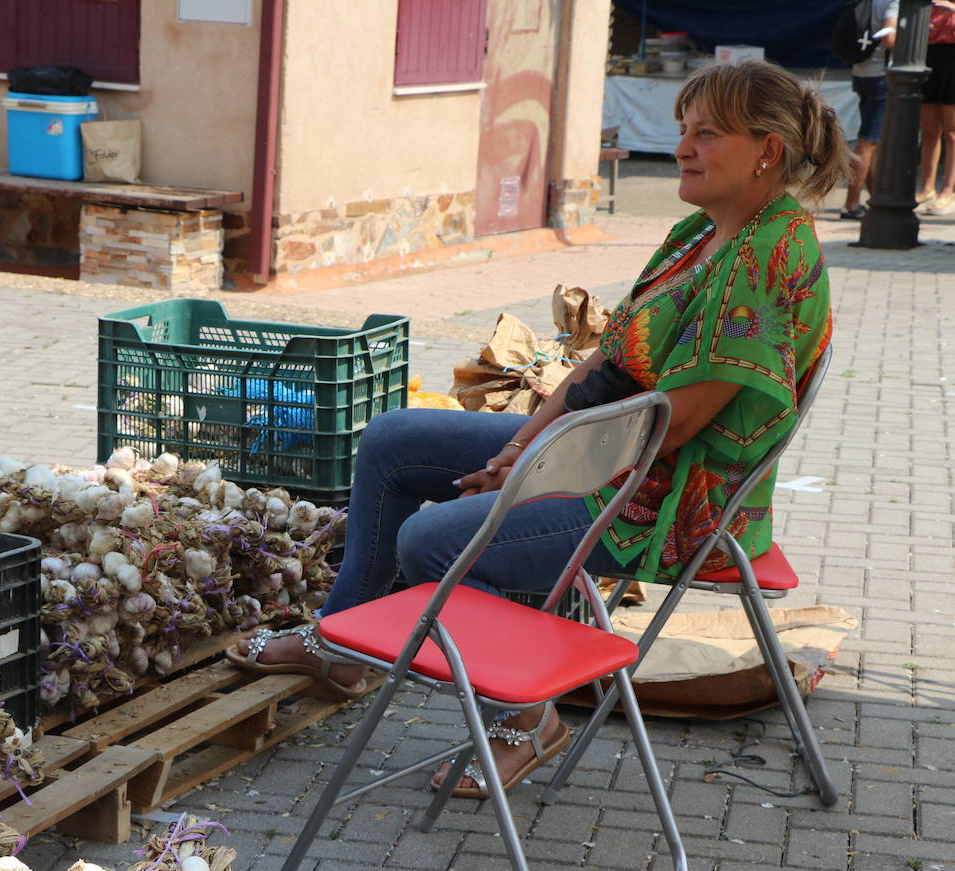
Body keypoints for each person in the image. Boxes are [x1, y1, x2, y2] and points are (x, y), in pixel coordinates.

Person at [230, 58, 848, 799]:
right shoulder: (697, 234)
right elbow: (606, 369)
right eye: (683, 130)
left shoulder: (772, 255)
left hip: (669, 505)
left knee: (434, 540)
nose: (682, 147)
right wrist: (523, 446)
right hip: (606, 459)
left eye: (705, 134)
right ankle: (344, 643)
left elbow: (671, 427)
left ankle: (525, 717)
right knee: (395, 441)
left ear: (767, 151)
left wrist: (531, 471)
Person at [842, 0, 899, 219]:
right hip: (881, 76)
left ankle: (875, 196)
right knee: (867, 141)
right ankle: (851, 203)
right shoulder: (894, 2)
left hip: (860, 72)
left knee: (873, 140)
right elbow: (889, 38)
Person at [917, 0, 955, 214]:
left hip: (953, 57)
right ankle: (927, 188)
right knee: (929, 130)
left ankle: (948, 190)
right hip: (930, 57)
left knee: (952, 132)